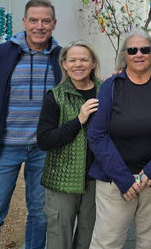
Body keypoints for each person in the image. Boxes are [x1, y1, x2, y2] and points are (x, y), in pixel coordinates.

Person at [87, 30, 151, 249]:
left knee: (150, 242)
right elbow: (97, 135)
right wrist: (124, 179)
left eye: (144, 49)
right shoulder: (111, 87)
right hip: (115, 181)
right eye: (132, 50)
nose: (138, 54)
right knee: (107, 242)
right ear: (125, 55)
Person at [0, 0, 60, 249]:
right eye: (34, 20)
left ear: (54, 24)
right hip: (3, 147)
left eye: (45, 21)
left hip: (44, 148)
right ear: (24, 22)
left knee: (40, 214)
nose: (40, 26)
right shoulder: (0, 55)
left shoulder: (62, 58)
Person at [37, 41, 101, 249]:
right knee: (59, 240)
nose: (78, 64)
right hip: (62, 181)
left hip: (96, 179)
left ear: (93, 64)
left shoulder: (106, 91)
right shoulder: (55, 96)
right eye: (72, 60)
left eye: (84, 59)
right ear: (64, 64)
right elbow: (45, 140)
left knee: (88, 238)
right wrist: (78, 120)